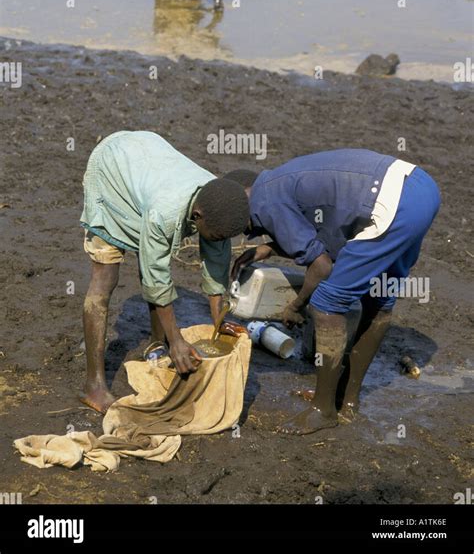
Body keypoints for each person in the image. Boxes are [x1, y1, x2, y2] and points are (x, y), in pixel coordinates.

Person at [226, 149, 441, 435]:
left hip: (393, 203)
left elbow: (322, 264)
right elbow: (322, 233)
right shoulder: (275, 182)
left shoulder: (263, 200)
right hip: (419, 189)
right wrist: (269, 247)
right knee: (378, 299)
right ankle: (347, 401)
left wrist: (297, 305)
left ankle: (323, 410)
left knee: (326, 302)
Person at [80, 130, 249, 413]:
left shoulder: (217, 199)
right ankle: (93, 385)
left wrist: (219, 321)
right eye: (214, 235)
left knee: (155, 260)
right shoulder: (165, 213)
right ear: (197, 217)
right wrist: (178, 340)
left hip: (146, 159)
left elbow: (216, 265)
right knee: (105, 277)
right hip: (111, 169)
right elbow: (156, 276)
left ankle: (156, 345)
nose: (217, 241)